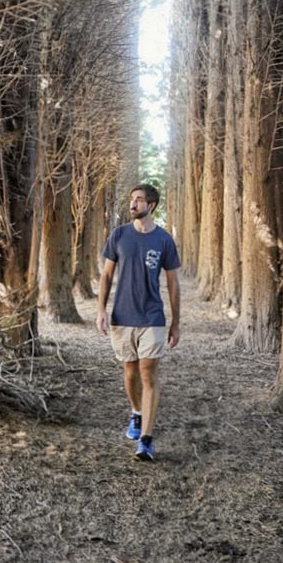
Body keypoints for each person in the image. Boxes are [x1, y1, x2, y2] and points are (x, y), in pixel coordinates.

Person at [96, 183, 181, 462]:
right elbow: (107, 276)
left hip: (152, 317)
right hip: (123, 316)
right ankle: (136, 411)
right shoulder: (119, 235)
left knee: (148, 374)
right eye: (132, 199)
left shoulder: (164, 240)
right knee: (130, 373)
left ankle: (146, 440)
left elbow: (172, 283)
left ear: (151, 206)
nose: (133, 204)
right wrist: (101, 310)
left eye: (139, 200)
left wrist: (175, 322)